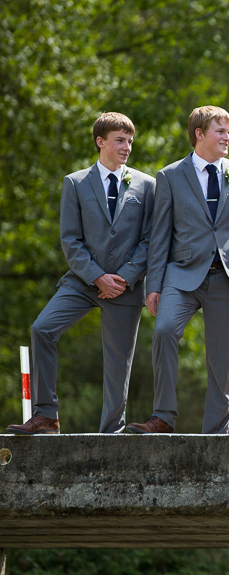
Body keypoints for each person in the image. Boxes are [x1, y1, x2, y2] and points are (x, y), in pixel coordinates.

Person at [7, 112, 154, 435]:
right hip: (83, 281)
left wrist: (125, 277)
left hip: (127, 286)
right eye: (120, 140)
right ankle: (46, 416)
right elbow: (70, 239)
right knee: (42, 329)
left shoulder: (147, 185)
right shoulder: (75, 183)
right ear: (100, 142)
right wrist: (98, 276)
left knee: (118, 363)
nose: (127, 146)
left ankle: (110, 433)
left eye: (130, 141)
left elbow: (149, 240)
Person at [127, 106, 229, 434]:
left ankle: (216, 433)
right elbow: (160, 236)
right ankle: (163, 418)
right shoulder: (170, 175)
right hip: (181, 275)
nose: (227, 136)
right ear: (199, 134)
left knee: (221, 360)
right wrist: (153, 286)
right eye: (220, 131)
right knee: (164, 331)